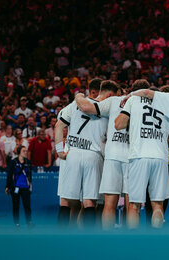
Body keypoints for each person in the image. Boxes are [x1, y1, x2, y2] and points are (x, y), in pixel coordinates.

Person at [114, 79, 169, 229]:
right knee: (157, 204)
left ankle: (134, 243)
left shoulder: (133, 99)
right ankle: (156, 240)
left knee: (134, 205)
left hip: (139, 155)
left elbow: (118, 124)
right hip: (161, 157)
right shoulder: (167, 105)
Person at [56, 80, 116, 228]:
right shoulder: (108, 107)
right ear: (109, 95)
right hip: (93, 155)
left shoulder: (76, 103)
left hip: (73, 154)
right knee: (90, 202)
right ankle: (88, 239)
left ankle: (59, 238)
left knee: (67, 200)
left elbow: (59, 125)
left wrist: (59, 150)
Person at [74, 80, 130, 230]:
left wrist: (78, 96)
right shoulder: (133, 104)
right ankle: (130, 239)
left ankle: (101, 238)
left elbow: (62, 124)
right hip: (120, 158)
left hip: (105, 158)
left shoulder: (110, 103)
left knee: (99, 203)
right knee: (130, 206)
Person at [5, 145, 33, 228]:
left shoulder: (28, 162)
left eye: (26, 151)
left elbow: (29, 175)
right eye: (24, 151)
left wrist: (30, 185)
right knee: (16, 206)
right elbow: (9, 175)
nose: (25, 152)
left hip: (25, 187)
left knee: (27, 206)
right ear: (19, 152)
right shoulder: (13, 162)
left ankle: (29, 222)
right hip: (15, 187)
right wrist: (7, 186)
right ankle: (16, 223)